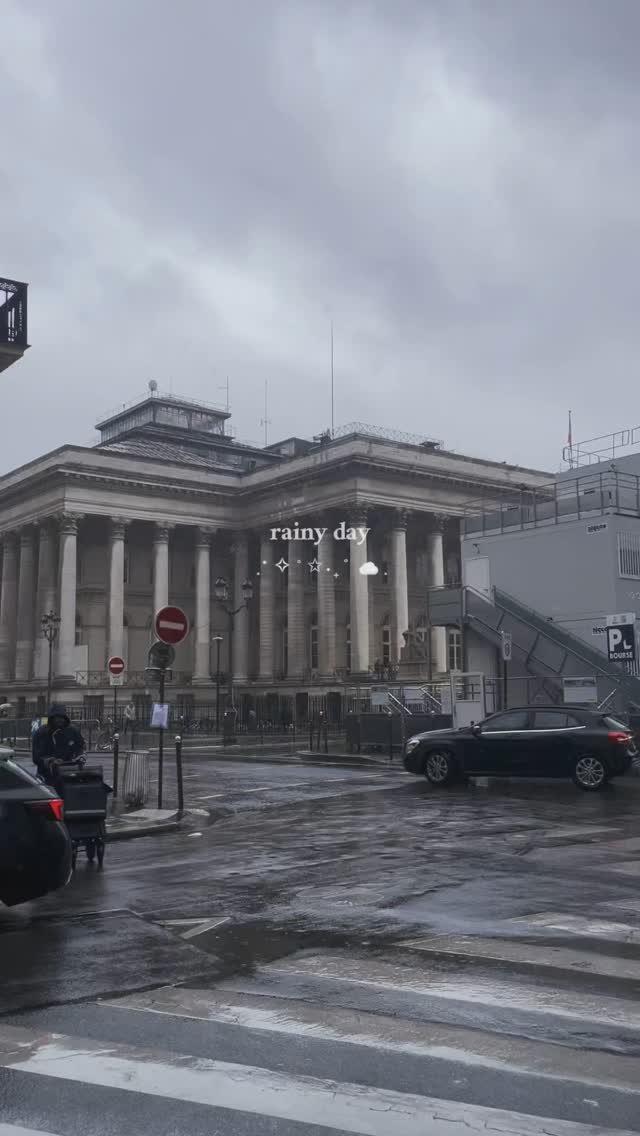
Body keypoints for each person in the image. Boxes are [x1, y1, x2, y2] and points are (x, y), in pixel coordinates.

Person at [32, 703, 86, 785]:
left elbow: (81, 748)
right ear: (51, 718)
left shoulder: (73, 731)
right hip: (47, 777)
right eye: (57, 717)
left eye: (62, 717)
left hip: (69, 775)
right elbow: (36, 757)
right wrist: (51, 761)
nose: (60, 720)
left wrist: (80, 757)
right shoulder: (42, 733)